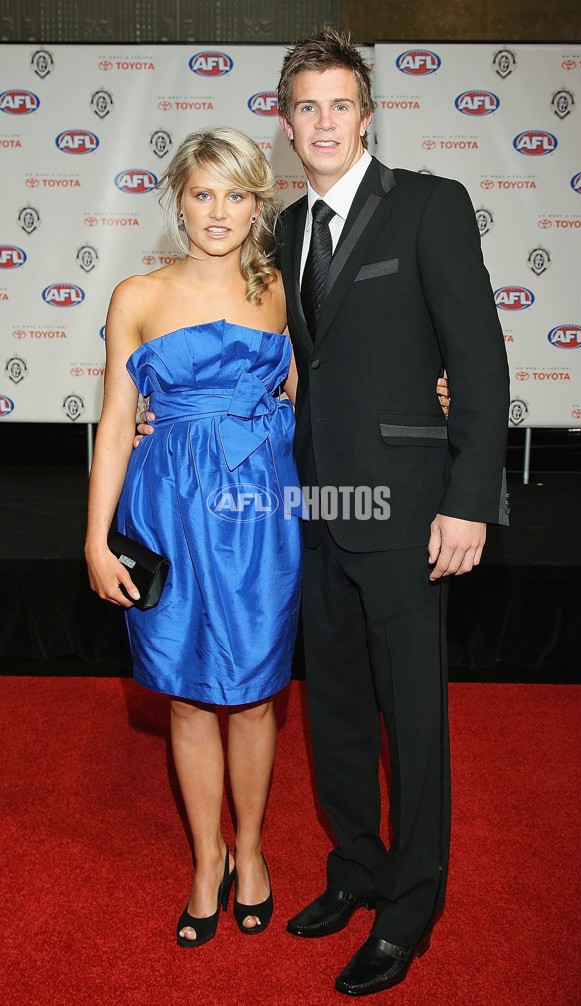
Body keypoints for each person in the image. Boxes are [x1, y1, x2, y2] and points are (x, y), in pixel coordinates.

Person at [273, 26, 510, 997]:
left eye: (340, 104)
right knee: (332, 713)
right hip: (316, 507)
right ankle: (355, 869)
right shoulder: (284, 230)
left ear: (366, 115)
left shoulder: (428, 205)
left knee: (412, 719)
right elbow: (299, 364)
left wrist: (468, 502)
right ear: (288, 125)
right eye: (307, 106)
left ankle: (409, 907)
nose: (325, 122)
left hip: (412, 511)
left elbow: (481, 364)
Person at [85, 127, 302, 947]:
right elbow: (113, 424)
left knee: (252, 696)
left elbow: (307, 398)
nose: (219, 211)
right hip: (167, 515)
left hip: (257, 519)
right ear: (177, 198)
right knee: (183, 694)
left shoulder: (283, 290)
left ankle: (249, 851)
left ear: (259, 202)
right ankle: (204, 859)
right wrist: (97, 539)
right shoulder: (136, 296)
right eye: (203, 193)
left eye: (237, 194)